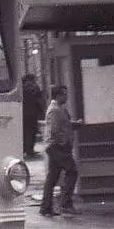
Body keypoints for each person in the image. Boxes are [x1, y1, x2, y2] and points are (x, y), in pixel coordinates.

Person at [40, 84, 81, 217]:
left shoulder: (59, 109)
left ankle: (46, 208)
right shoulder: (55, 110)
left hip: (55, 146)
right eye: (64, 94)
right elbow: (54, 131)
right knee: (72, 171)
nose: (66, 96)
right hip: (57, 147)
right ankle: (66, 204)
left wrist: (74, 125)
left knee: (52, 177)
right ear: (57, 95)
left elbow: (64, 126)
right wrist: (63, 143)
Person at [21, 74, 46, 159]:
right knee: (31, 133)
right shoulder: (35, 88)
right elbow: (39, 100)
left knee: (25, 132)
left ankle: (25, 149)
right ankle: (30, 151)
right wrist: (42, 112)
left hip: (23, 114)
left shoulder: (21, 88)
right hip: (33, 114)